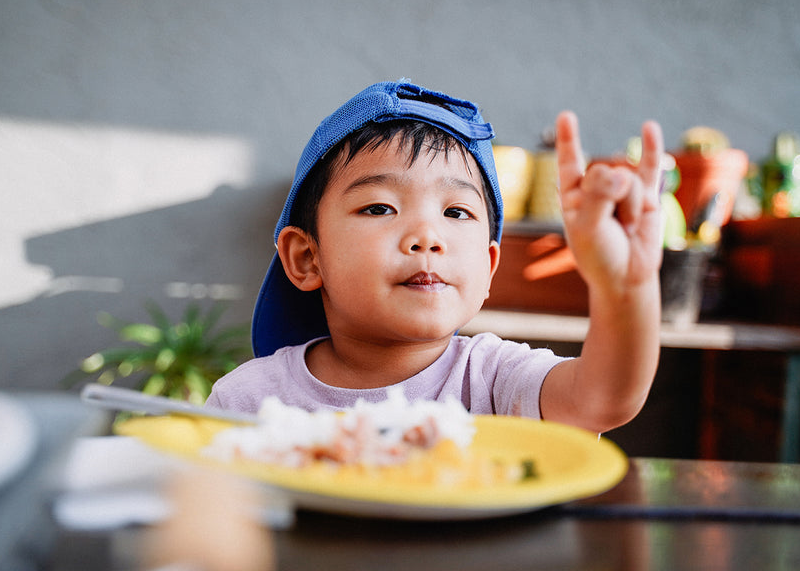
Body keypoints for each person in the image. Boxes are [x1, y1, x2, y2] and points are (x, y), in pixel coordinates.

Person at [206, 80, 662, 434]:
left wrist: (625, 291)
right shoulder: (249, 401)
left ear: (488, 268)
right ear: (307, 258)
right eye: (380, 207)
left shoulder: (494, 379)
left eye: (456, 212)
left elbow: (604, 399)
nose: (427, 236)